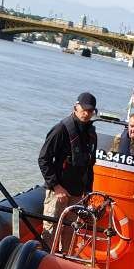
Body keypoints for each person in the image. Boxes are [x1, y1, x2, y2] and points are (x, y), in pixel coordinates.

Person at [38, 92, 98, 233]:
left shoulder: (91, 134)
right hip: (58, 192)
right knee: (51, 231)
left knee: (69, 233)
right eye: (84, 109)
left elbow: (90, 165)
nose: (87, 113)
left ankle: (63, 255)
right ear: (75, 107)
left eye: (90, 111)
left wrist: (88, 191)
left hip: (77, 193)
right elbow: (43, 158)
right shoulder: (61, 129)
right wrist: (56, 186)